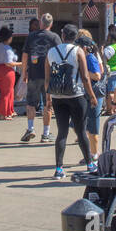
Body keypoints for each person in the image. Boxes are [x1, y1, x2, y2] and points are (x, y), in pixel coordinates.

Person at [44, 24, 98, 178]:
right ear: (75, 38)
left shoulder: (51, 52)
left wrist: (48, 98)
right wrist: (92, 96)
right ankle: (89, 164)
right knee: (81, 131)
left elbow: (47, 78)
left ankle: (59, 169)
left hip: (57, 97)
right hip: (77, 95)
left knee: (62, 132)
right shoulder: (78, 51)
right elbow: (86, 77)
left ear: (62, 35)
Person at [19, 15, 58, 142]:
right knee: (48, 103)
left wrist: (24, 72)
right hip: (49, 76)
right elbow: (59, 55)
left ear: (41, 23)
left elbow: (24, 56)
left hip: (34, 75)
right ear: (50, 24)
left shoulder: (31, 36)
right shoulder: (54, 37)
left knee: (31, 103)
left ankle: (30, 129)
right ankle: (46, 134)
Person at [76, 29, 104, 161]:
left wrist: (84, 70)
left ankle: (94, 154)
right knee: (84, 127)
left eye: (79, 46)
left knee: (93, 127)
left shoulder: (90, 57)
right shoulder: (82, 57)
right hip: (85, 94)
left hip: (94, 94)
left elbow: (98, 75)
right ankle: (91, 153)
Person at [0, 28, 21, 120]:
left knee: (9, 91)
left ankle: (9, 111)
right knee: (7, 93)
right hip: (7, 71)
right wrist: (21, 63)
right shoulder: (8, 49)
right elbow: (9, 63)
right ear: (9, 38)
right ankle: (3, 114)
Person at [101, 30, 116, 111]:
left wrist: (101, 51)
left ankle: (110, 110)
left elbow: (104, 58)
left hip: (112, 73)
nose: (107, 40)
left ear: (112, 39)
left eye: (108, 38)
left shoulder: (111, 48)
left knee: (111, 92)